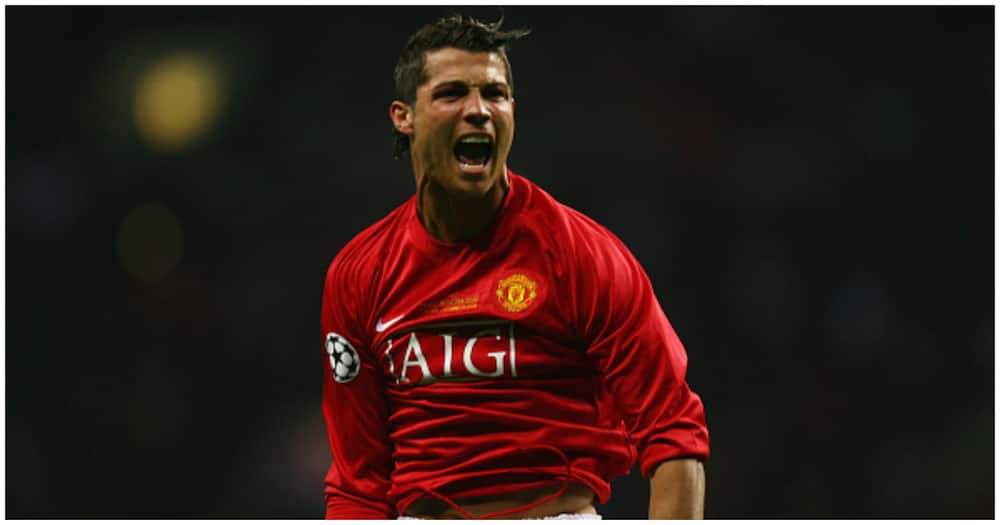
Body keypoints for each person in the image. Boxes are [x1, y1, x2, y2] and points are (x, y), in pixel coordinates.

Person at [320, 13, 709, 520]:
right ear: (403, 116)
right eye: (452, 93)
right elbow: (358, 487)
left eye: (495, 94)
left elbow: (672, 431)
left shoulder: (580, 254)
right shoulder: (359, 274)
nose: (479, 110)